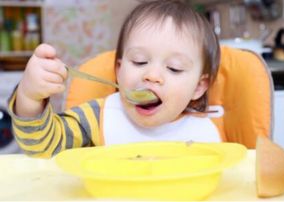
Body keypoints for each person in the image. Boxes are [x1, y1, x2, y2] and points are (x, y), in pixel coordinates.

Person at [8, 0, 221, 158]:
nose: (152, 76)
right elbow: (42, 147)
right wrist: (29, 97)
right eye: (139, 61)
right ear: (119, 70)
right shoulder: (98, 117)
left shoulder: (204, 132)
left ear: (198, 87)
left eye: (174, 68)